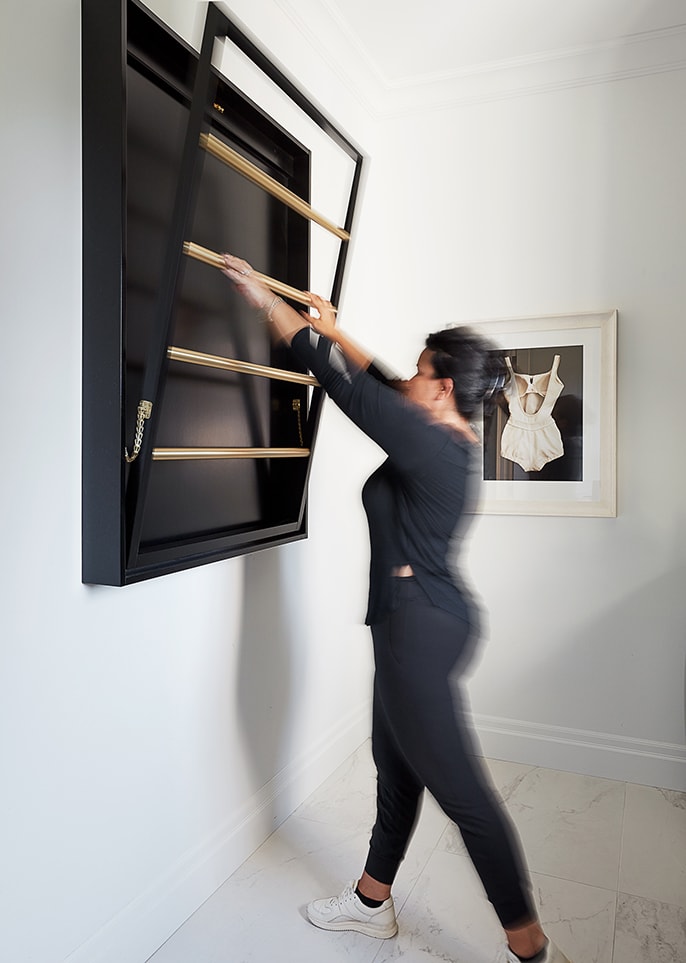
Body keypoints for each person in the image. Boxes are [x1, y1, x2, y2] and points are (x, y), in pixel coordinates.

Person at [221, 254, 572, 963]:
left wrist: (268, 302)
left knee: (466, 797)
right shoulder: (445, 431)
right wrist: (340, 330)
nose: (409, 377)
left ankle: (531, 948)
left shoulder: (426, 438)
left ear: (441, 388)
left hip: (417, 627)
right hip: (422, 618)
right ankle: (370, 900)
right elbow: (384, 382)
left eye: (421, 370)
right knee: (396, 761)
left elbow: (354, 392)